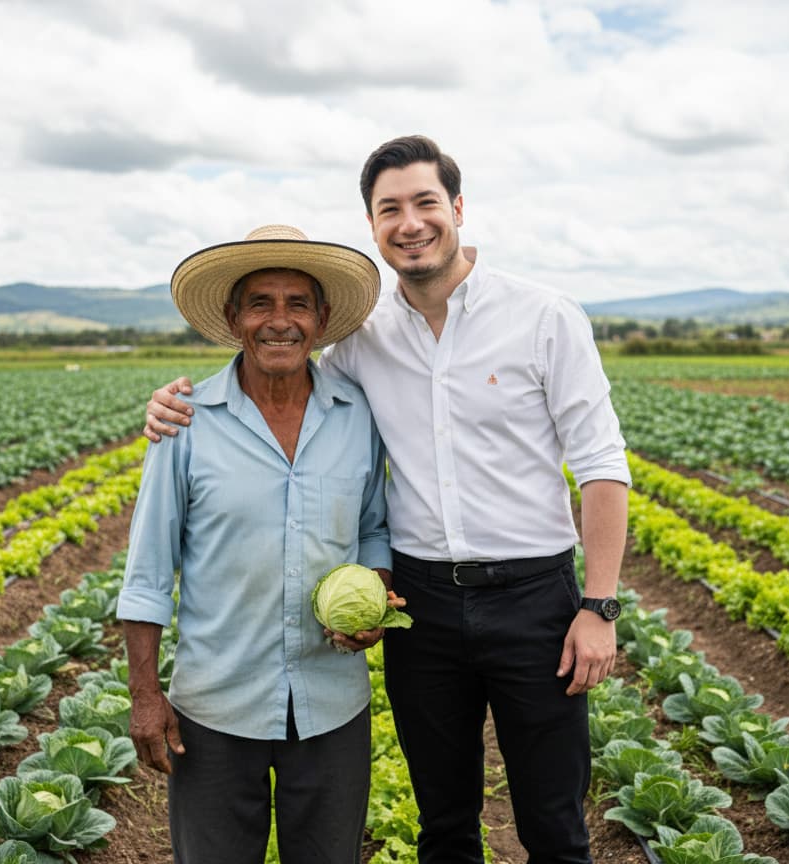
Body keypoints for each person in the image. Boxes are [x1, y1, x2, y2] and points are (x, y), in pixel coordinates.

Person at [144, 136, 630, 864]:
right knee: (445, 824)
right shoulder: (359, 344)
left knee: (555, 825)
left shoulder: (545, 316)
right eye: (389, 209)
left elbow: (600, 466)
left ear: (458, 208)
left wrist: (597, 607)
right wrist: (170, 406)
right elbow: (278, 368)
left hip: (535, 597)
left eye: (426, 202)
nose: (411, 222)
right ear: (372, 226)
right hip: (424, 607)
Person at [118, 224, 394, 864]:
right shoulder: (186, 421)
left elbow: (375, 528)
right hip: (214, 709)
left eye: (298, 303)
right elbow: (148, 572)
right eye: (261, 303)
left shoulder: (358, 414)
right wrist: (144, 696)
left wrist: (376, 595)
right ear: (233, 316)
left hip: (332, 705)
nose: (280, 321)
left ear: (322, 320)